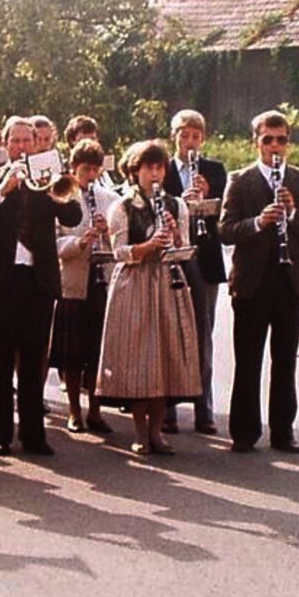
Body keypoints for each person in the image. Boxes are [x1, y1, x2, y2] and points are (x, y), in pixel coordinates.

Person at [0, 116, 82, 456]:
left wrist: (56, 189)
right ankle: (1, 434)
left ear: (36, 144)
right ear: (5, 144)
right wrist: (2, 190)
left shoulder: (47, 181)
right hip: (1, 280)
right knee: (1, 361)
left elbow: (72, 217)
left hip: (37, 280)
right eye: (14, 141)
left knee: (34, 362)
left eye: (27, 141)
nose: (20, 147)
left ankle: (34, 435)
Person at [219, 110, 299, 454]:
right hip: (251, 282)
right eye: (268, 140)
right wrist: (259, 222)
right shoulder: (240, 180)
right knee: (248, 359)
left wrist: (292, 214)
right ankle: (244, 432)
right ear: (256, 142)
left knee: (285, 361)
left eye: (281, 139)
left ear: (288, 142)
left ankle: (283, 431)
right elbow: (225, 230)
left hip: (289, 281)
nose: (274, 146)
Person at [96, 140, 200, 454]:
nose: (155, 174)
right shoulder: (123, 206)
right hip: (135, 283)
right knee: (140, 360)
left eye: (159, 167)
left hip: (168, 283)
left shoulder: (177, 205)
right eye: (148, 168)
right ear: (135, 171)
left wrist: (175, 237)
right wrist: (150, 244)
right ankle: (140, 432)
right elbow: (120, 251)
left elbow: (183, 251)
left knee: (166, 358)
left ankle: (157, 431)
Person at [162, 109, 227, 436]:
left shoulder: (214, 170)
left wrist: (206, 197)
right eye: (184, 136)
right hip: (173, 256)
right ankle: (168, 408)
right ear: (174, 137)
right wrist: (181, 202)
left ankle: (204, 409)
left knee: (203, 334)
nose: (190, 142)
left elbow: (222, 217)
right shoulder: (163, 168)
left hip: (205, 258)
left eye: (195, 137)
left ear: (203, 139)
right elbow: (158, 207)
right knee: (170, 331)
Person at [50, 139, 117, 434]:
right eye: (84, 168)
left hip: (101, 281)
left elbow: (122, 242)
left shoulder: (110, 198)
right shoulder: (61, 196)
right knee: (73, 354)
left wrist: (106, 233)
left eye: (94, 169)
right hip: (74, 283)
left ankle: (96, 410)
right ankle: (74, 411)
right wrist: (80, 242)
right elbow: (53, 243)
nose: (90, 174)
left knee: (96, 353)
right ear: (74, 168)